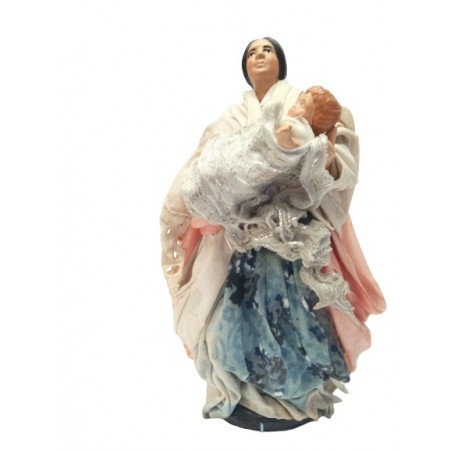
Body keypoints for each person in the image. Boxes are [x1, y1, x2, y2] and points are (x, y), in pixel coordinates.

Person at [160, 37, 386, 432]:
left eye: (266, 49)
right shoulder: (230, 118)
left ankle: (293, 387)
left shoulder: (303, 101)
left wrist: (319, 154)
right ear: (245, 68)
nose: (259, 55)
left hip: (290, 233)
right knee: (236, 306)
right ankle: (244, 388)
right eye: (251, 52)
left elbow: (333, 148)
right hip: (240, 236)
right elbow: (207, 163)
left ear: (280, 61)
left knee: (293, 308)